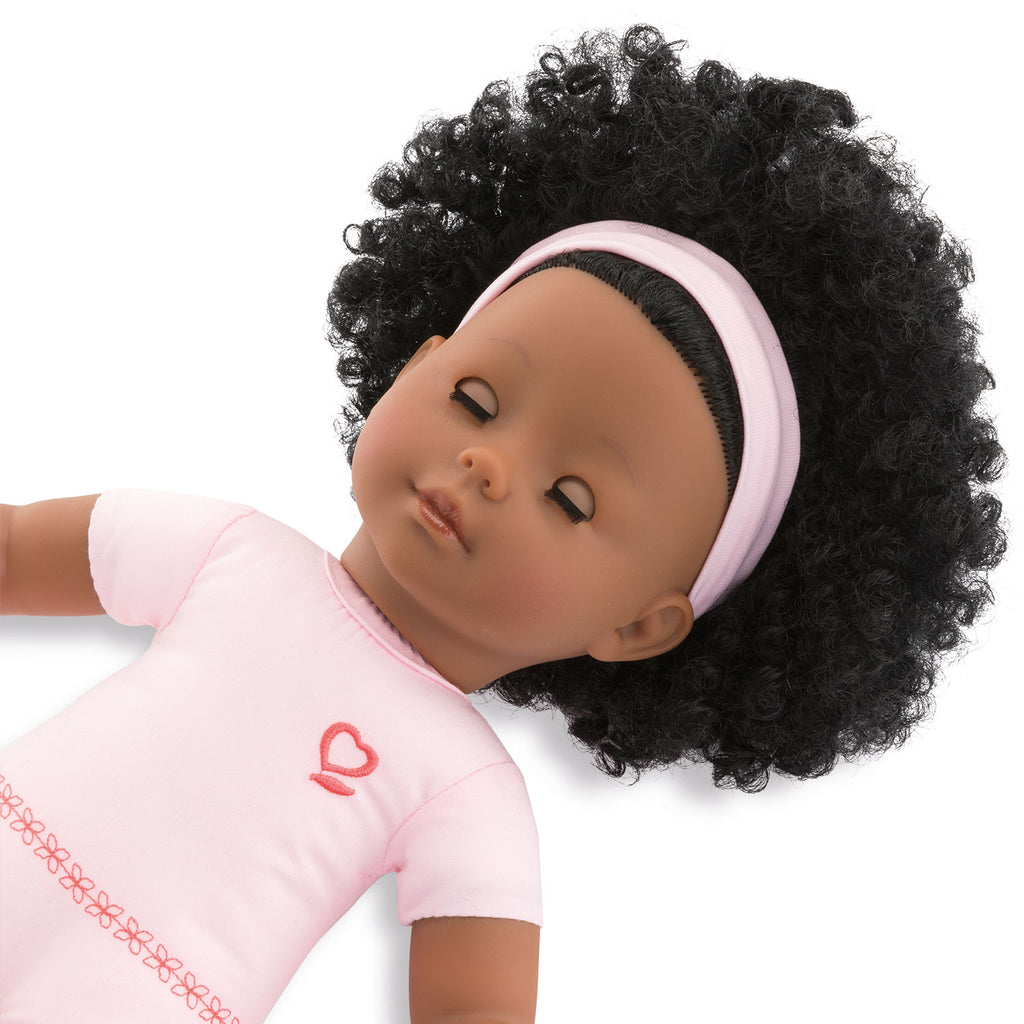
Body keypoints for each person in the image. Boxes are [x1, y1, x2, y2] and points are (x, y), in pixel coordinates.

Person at [0, 25, 1005, 1024]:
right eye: (475, 399)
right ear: (414, 363)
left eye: (570, 497)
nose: (487, 464)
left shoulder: (463, 790)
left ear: (639, 625)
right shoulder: (224, 551)